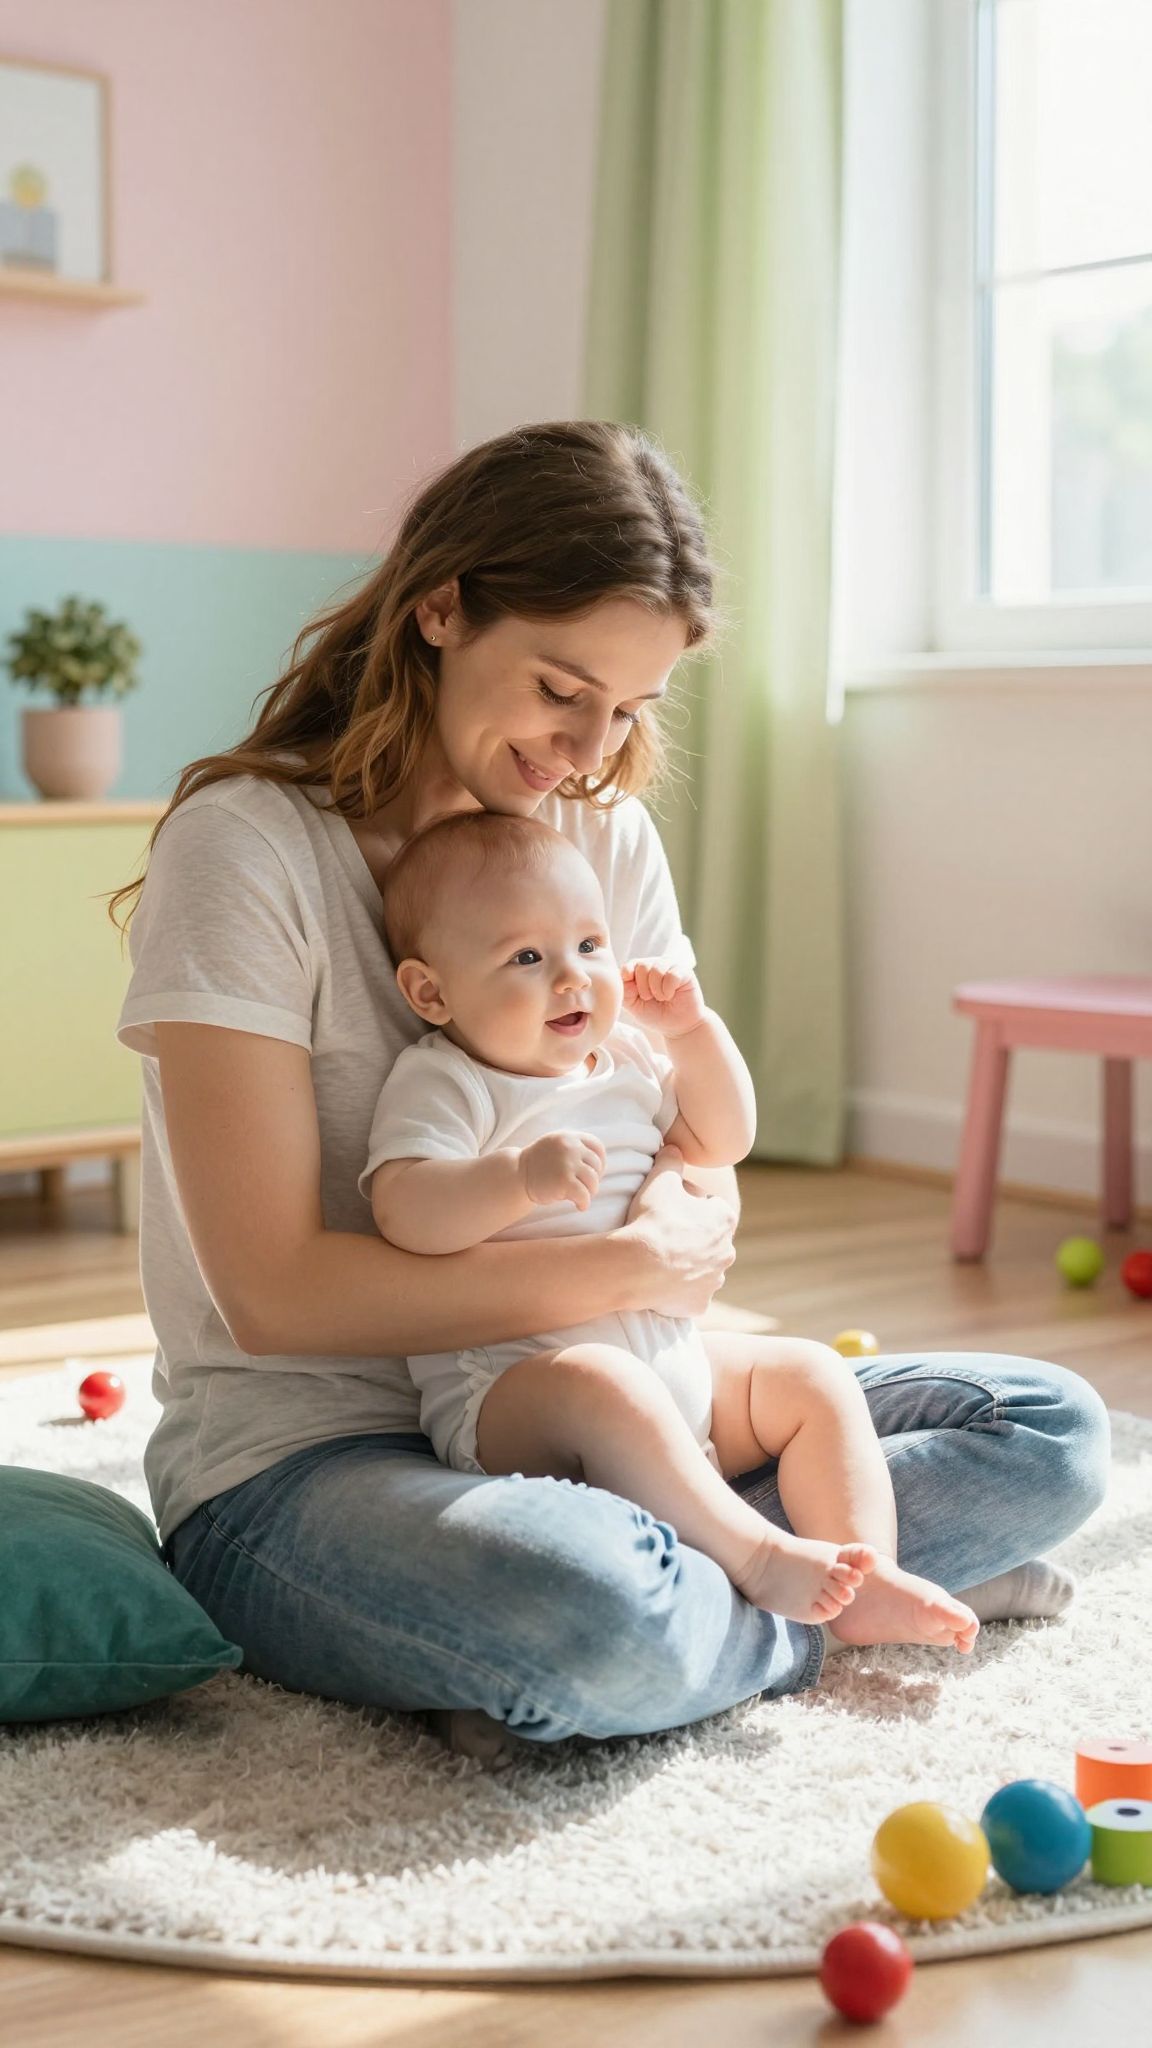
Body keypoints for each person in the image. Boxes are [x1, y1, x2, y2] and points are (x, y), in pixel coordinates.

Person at [112, 419, 1110, 1760]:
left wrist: (690, 1201)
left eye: (627, 710)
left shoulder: (597, 834)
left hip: (634, 1397)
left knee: (1051, 1431)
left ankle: (742, 1589)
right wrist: (625, 1269)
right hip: (310, 1459)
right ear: (441, 606)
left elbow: (679, 1125)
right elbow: (276, 1291)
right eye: (560, 689)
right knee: (586, 1608)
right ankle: (780, 1601)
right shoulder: (243, 852)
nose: (585, 750)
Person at [364, 807, 983, 1646]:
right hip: (518, 1394)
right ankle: (758, 1555)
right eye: (526, 958)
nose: (573, 979)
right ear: (431, 990)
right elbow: (406, 1212)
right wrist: (513, 1179)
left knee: (808, 1373)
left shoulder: (625, 1056)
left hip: (676, 1374)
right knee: (601, 1384)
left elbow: (723, 1139)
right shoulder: (447, 1082)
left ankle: (865, 1571)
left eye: (589, 946)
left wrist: (692, 1032)